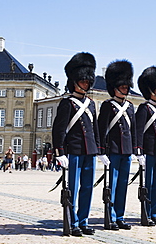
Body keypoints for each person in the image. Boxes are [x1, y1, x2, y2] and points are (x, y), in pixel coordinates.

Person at [52, 52, 105, 236]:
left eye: (87, 81)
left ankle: (83, 220)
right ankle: (72, 222)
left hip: (89, 151)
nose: (86, 84)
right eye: (83, 81)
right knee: (72, 189)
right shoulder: (67, 103)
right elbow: (58, 130)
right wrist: (59, 152)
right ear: (74, 81)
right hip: (73, 151)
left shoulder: (91, 104)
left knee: (88, 188)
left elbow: (95, 129)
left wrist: (100, 150)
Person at [98, 59, 137, 231]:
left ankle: (120, 216)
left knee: (123, 185)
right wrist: (101, 151)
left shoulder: (130, 107)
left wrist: (136, 150)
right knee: (112, 185)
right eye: (122, 86)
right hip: (113, 150)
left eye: (127, 86)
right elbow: (101, 129)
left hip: (126, 151)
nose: (126, 89)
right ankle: (111, 216)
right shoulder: (107, 106)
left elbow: (134, 130)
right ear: (115, 87)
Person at [135, 66, 156, 226]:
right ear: (150, 90)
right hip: (148, 151)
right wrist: (139, 151)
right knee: (148, 184)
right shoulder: (144, 108)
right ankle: (146, 213)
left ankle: (155, 212)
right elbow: (139, 131)